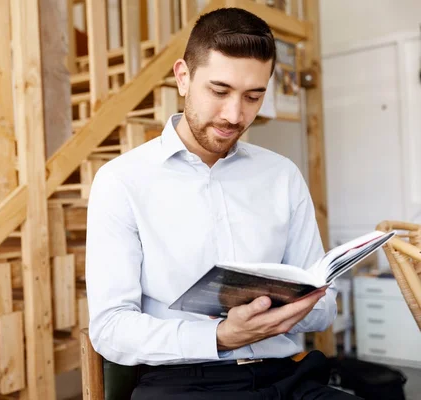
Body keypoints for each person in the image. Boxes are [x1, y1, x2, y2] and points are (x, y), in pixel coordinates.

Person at [85, 7, 359, 399]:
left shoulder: (281, 176)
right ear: (183, 77)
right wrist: (219, 336)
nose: (235, 115)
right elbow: (111, 329)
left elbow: (324, 304)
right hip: (184, 383)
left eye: (253, 96)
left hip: (288, 377)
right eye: (219, 91)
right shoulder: (122, 181)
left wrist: (292, 309)